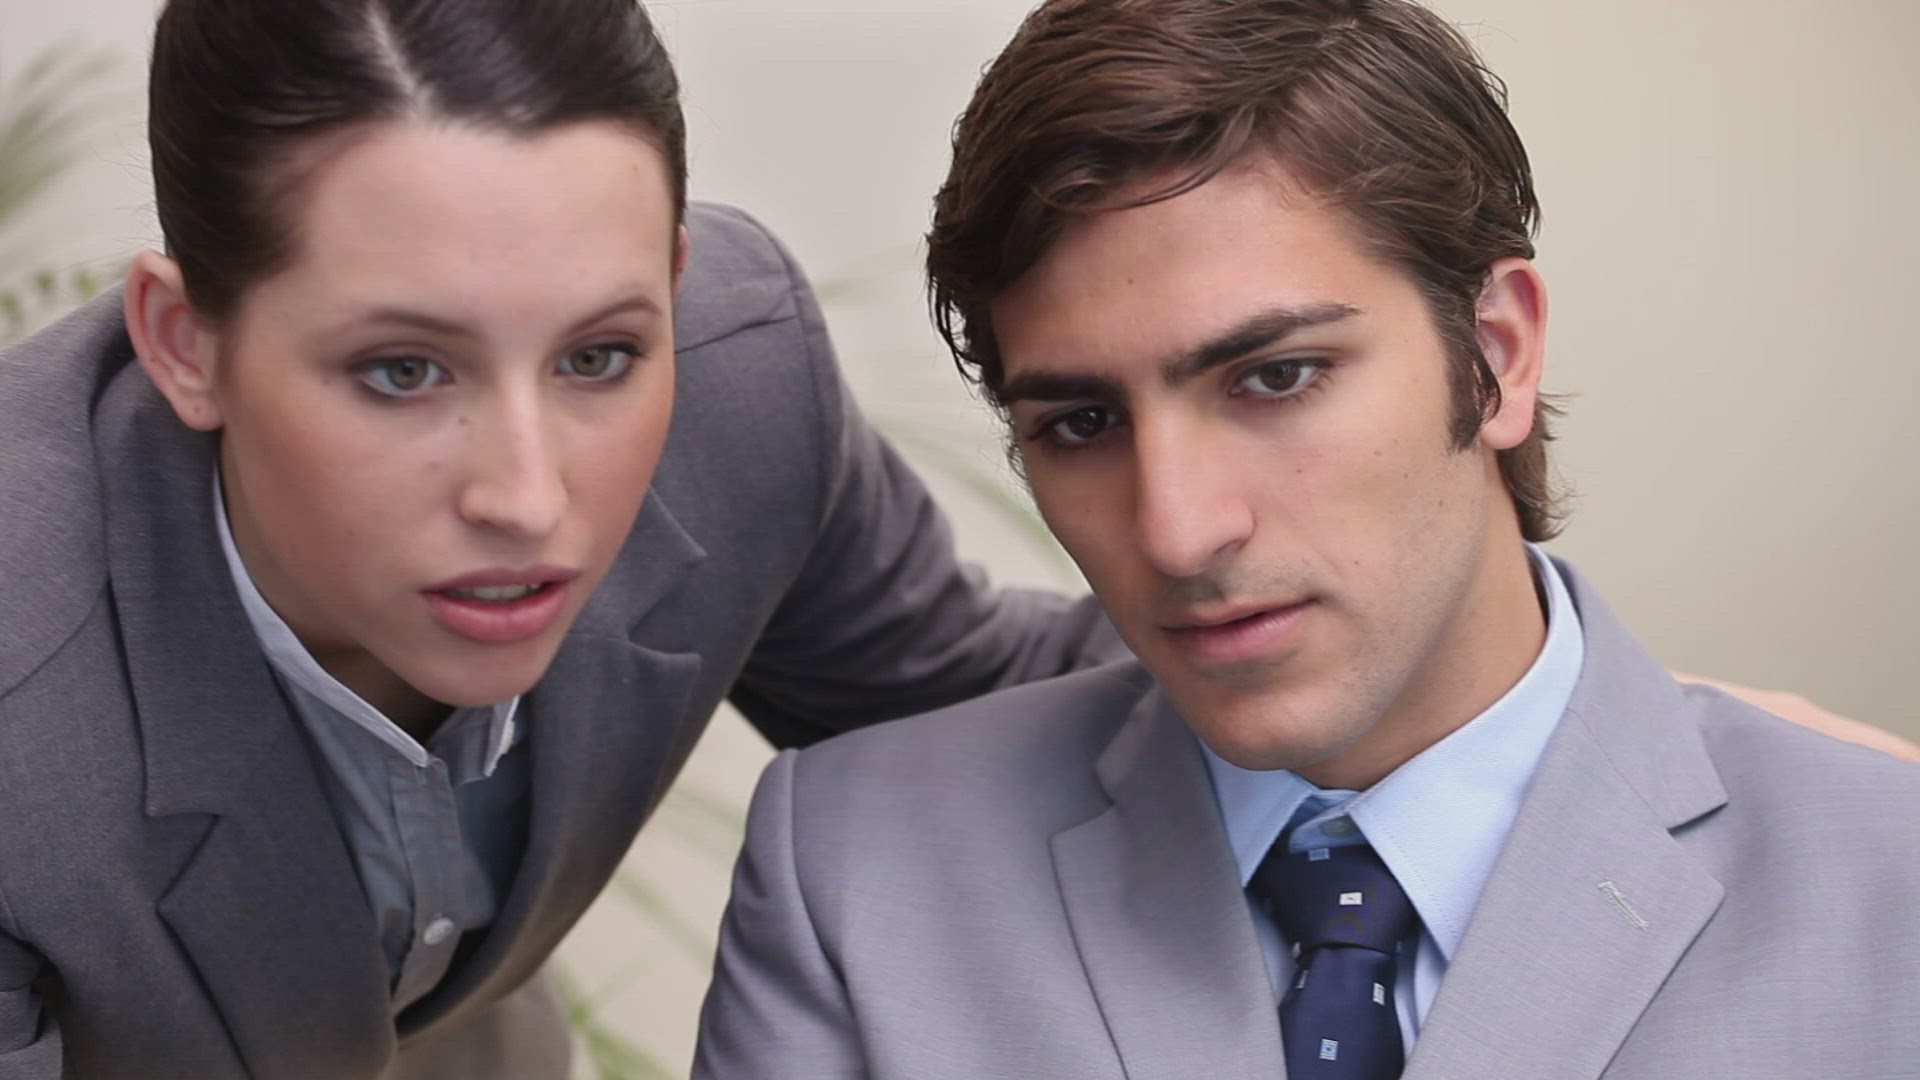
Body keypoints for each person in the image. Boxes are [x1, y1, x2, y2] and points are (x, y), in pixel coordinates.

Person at [692, 2, 1920, 1077]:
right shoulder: (851, 871)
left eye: (1275, 377)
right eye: (1081, 423)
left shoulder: (1887, 882)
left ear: (1495, 355)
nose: (1178, 531)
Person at [0, 2, 1133, 1077]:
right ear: (184, 342)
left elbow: (1006, 710)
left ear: (673, 288)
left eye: (598, 356)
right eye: (403, 370)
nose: (529, 498)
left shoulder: (737, 386)